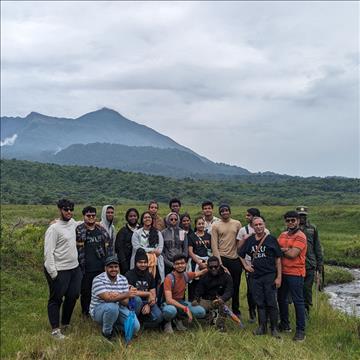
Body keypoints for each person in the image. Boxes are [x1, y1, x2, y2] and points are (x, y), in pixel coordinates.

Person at [44, 199, 82, 339]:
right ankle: (55, 330)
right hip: (59, 269)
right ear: (60, 209)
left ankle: (65, 323)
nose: (69, 212)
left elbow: (80, 223)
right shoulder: (53, 229)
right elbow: (48, 253)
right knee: (56, 298)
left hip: (74, 268)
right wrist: (53, 274)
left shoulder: (72, 223)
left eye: (71, 209)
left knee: (73, 295)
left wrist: (96, 222)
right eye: (66, 209)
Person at [239, 216, 282, 338]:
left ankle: (273, 328)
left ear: (264, 224)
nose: (258, 227)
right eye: (256, 225)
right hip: (255, 276)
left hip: (269, 275)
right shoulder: (250, 240)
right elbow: (240, 254)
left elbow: (278, 259)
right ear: (252, 226)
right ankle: (262, 327)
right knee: (260, 302)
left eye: (260, 224)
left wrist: (279, 277)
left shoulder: (271, 239)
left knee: (271, 302)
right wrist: (246, 266)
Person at [90, 255, 140, 340]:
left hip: (119, 307)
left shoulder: (123, 279)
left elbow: (126, 302)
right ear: (105, 268)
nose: (114, 269)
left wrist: (116, 295)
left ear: (119, 268)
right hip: (99, 309)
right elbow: (107, 299)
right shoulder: (98, 279)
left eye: (116, 267)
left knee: (135, 328)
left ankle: (114, 327)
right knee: (112, 307)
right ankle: (107, 333)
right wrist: (126, 294)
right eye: (110, 267)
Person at [76, 206, 112, 316]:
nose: (91, 217)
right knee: (86, 291)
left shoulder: (101, 230)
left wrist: (109, 263)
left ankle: (99, 310)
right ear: (84, 217)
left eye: (93, 215)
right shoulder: (79, 230)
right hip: (85, 266)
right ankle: (85, 313)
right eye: (88, 216)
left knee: (100, 290)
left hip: (101, 266)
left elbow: (108, 246)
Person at [277, 211, 307, 341]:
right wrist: (285, 250)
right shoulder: (283, 234)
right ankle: (285, 324)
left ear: (298, 221)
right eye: (288, 220)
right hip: (282, 272)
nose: (290, 223)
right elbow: (276, 248)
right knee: (281, 299)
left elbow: (293, 254)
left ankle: (301, 331)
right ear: (285, 222)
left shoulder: (301, 236)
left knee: (298, 301)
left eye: (293, 220)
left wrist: (282, 250)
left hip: (296, 273)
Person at [162, 254, 207, 333]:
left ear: (186, 264)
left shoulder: (186, 275)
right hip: (168, 303)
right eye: (177, 264)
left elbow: (200, 273)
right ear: (173, 265)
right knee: (170, 310)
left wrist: (213, 266)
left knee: (201, 312)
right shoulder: (169, 278)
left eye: (182, 263)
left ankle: (178, 319)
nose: (180, 265)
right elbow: (169, 300)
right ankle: (167, 322)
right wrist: (185, 308)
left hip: (180, 302)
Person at [211, 204, 242, 316]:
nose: (224, 212)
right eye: (222, 211)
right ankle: (221, 309)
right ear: (220, 213)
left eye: (226, 210)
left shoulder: (237, 223)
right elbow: (214, 244)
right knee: (221, 286)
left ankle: (236, 309)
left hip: (235, 258)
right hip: (222, 258)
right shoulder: (215, 225)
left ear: (230, 211)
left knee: (236, 285)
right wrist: (219, 262)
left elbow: (240, 241)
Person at [236, 208, 264, 323]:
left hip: (262, 264)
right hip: (248, 263)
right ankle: (252, 312)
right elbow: (238, 248)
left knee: (262, 289)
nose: (246, 217)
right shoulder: (243, 230)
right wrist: (246, 239)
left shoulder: (265, 231)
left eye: (248, 215)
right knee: (251, 289)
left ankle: (262, 312)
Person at [296, 206, 323, 318]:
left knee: (307, 290)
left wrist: (319, 264)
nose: (302, 218)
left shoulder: (312, 228)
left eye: (304, 216)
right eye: (300, 215)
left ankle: (306, 312)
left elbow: (317, 246)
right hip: (296, 265)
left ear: (306, 216)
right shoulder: (291, 228)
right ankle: (298, 312)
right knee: (297, 289)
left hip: (310, 264)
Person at [193, 256, 233, 332]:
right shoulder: (204, 277)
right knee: (196, 309)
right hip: (207, 300)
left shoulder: (226, 276)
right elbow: (198, 290)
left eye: (215, 266)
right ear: (207, 267)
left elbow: (229, 291)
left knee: (226, 303)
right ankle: (209, 318)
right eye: (211, 267)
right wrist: (196, 299)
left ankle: (220, 325)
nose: (213, 269)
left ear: (219, 266)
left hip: (220, 300)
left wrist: (222, 299)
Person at [125, 248, 163, 328]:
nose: (143, 265)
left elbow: (153, 294)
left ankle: (142, 322)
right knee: (137, 299)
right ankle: (133, 321)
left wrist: (149, 304)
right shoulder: (129, 274)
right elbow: (132, 292)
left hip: (147, 302)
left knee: (159, 317)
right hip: (133, 303)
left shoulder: (150, 275)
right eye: (140, 262)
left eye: (145, 262)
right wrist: (148, 293)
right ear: (136, 263)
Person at [131, 211, 165, 283]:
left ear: (152, 219)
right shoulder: (136, 233)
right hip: (140, 263)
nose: (147, 219)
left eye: (149, 217)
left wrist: (148, 251)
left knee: (155, 284)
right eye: (145, 217)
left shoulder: (157, 233)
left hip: (155, 263)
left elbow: (159, 250)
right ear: (142, 220)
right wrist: (152, 250)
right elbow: (137, 247)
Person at [187, 216, 211, 301]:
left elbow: (211, 250)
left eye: (202, 223)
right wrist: (199, 263)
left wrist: (207, 263)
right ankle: (192, 302)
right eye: (199, 224)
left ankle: (205, 304)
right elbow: (190, 251)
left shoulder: (209, 236)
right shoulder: (191, 236)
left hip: (207, 262)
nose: (201, 225)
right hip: (195, 262)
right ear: (195, 225)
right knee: (194, 283)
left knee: (205, 282)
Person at [115, 208, 139, 275]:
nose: (133, 218)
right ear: (127, 217)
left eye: (134, 216)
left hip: (140, 262)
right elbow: (119, 249)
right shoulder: (122, 231)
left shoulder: (141, 229)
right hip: (126, 263)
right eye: (130, 216)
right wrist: (123, 264)